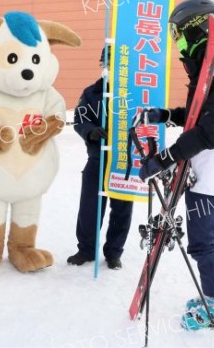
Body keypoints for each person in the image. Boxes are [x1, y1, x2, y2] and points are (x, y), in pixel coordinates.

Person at [135, 0, 214, 331]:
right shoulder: (213, 71)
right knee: (209, 237)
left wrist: (165, 158)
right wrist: (168, 115)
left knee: (202, 241)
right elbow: (200, 117)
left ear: (197, 29)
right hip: (205, 171)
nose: (178, 44)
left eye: (179, 35)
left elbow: (209, 132)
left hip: (212, 175)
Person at [67, 47, 134, 270]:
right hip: (97, 158)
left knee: (122, 209)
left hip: (124, 161)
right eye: (105, 63)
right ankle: (86, 249)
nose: (109, 68)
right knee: (89, 207)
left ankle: (114, 252)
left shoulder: (133, 91)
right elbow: (80, 118)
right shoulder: (92, 93)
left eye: (113, 63)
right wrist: (90, 132)